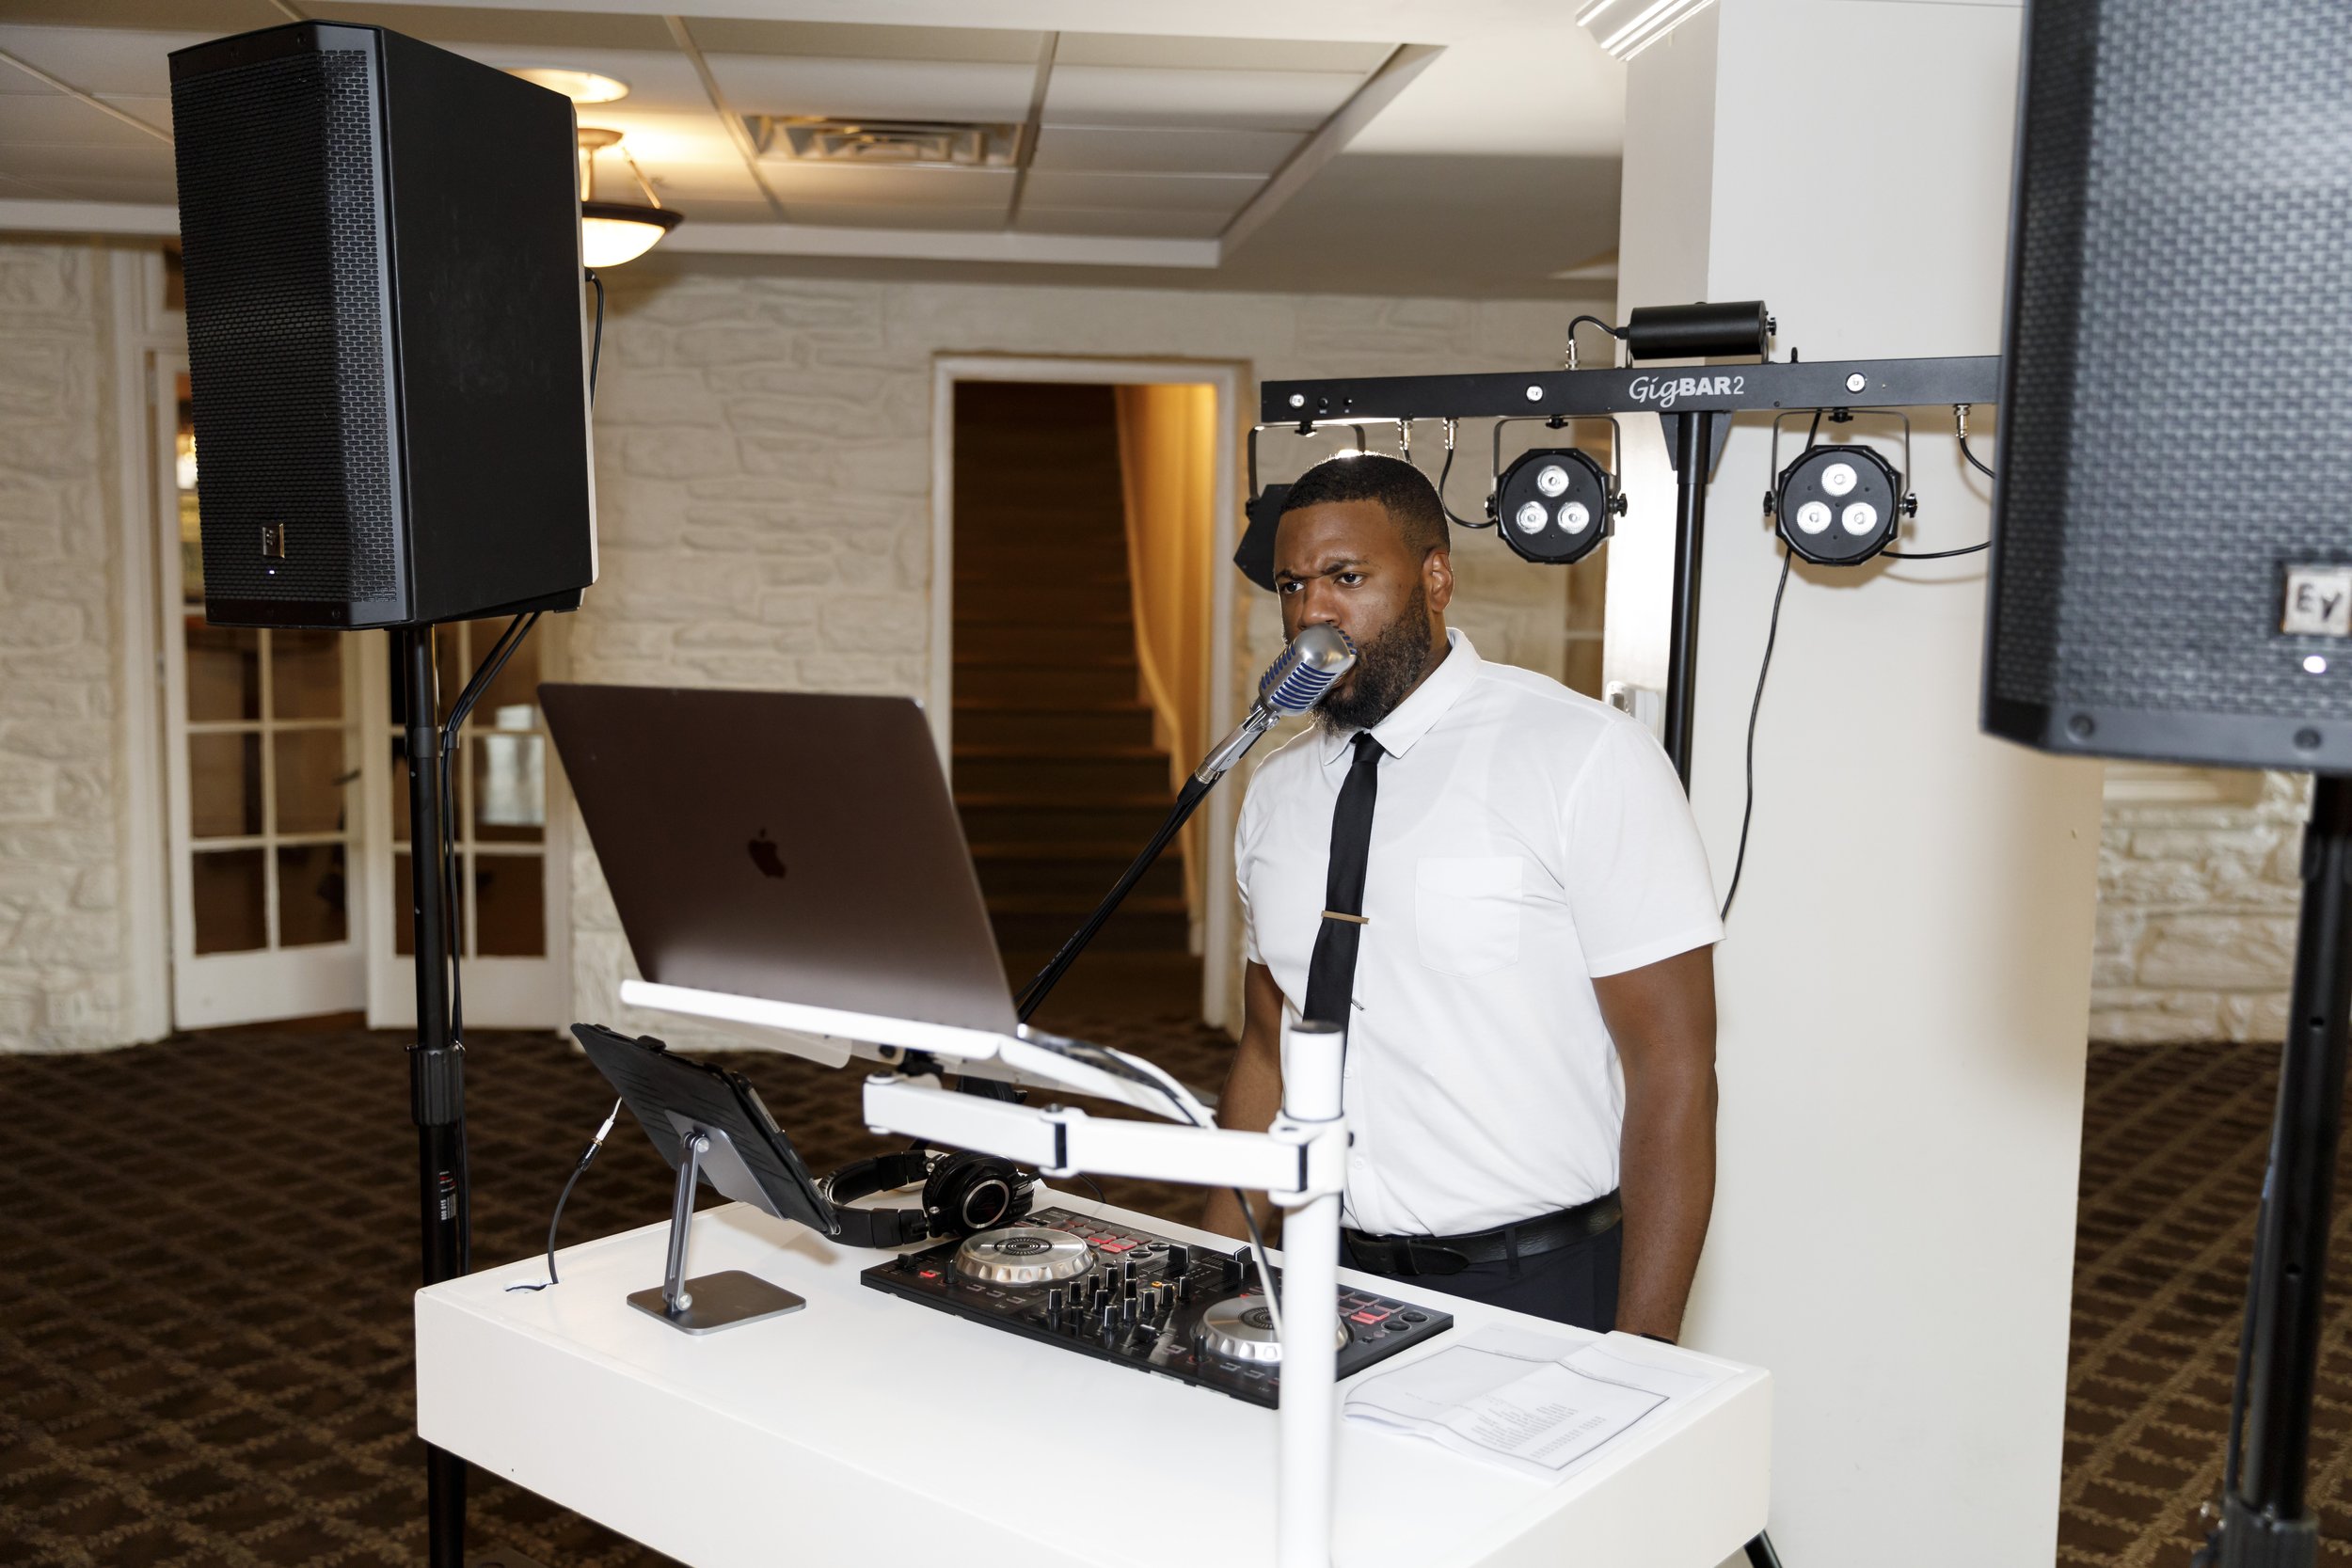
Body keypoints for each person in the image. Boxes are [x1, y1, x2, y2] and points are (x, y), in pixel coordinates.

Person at [1200, 453, 1722, 1342]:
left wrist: (1641, 1357)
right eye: (1292, 586)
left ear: (1435, 578)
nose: (1312, 613)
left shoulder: (1584, 757)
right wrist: (1212, 1265)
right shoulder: (1277, 792)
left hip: (1537, 1281)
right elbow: (1268, 1047)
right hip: (1327, 1273)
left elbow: (1672, 1070)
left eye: (1347, 577)